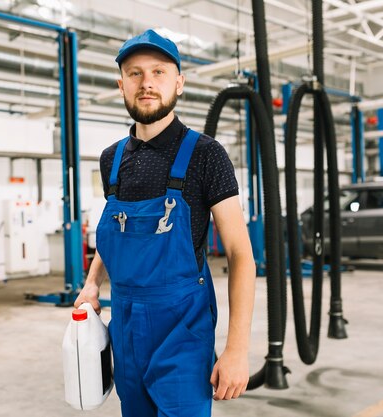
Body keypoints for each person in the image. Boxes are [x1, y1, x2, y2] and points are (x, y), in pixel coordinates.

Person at [74, 29, 256, 417]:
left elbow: (241, 255)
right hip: (124, 320)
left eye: (159, 72)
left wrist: (237, 349)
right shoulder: (112, 158)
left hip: (182, 325)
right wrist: (92, 285)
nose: (147, 83)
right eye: (136, 74)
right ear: (121, 84)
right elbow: (115, 234)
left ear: (179, 83)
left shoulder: (207, 155)